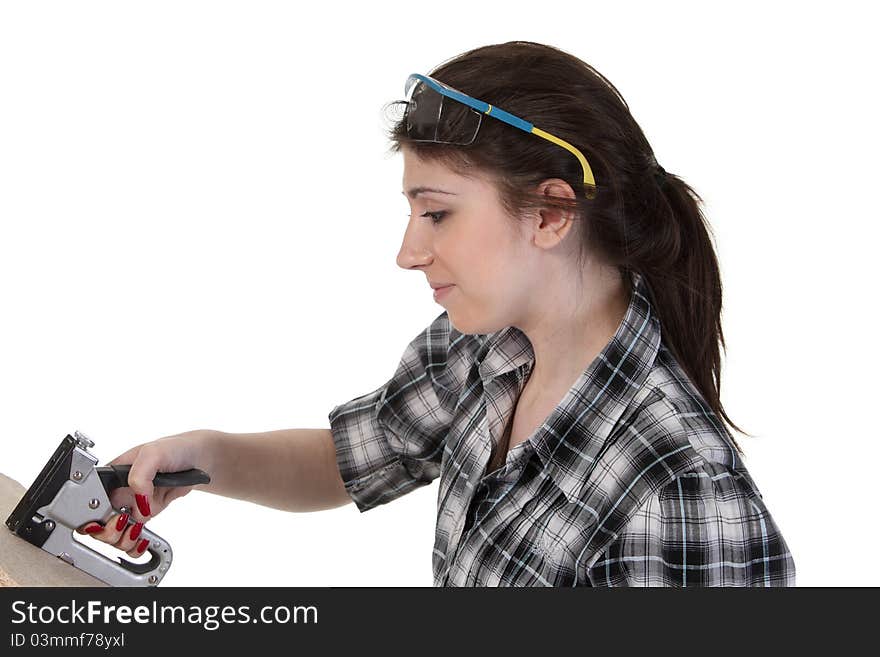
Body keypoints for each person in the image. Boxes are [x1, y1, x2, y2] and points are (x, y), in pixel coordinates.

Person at [79, 41, 796, 586]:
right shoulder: (484, 349)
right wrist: (205, 457)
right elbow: (350, 458)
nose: (408, 251)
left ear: (550, 212)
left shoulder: (679, 494)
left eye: (437, 213)